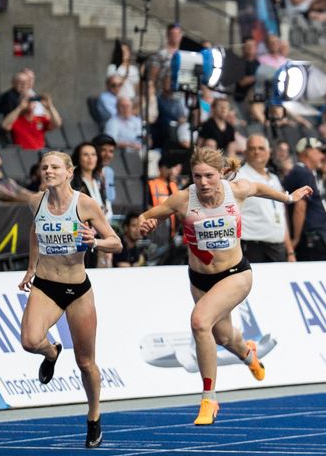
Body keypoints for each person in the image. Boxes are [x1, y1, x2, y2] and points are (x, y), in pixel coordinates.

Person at [133, 149, 311, 424]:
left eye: (209, 176)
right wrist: (146, 224)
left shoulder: (235, 191)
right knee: (223, 337)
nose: (203, 183)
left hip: (235, 274)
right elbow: (144, 217)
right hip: (200, 278)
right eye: (197, 176)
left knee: (199, 322)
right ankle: (248, 354)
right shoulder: (183, 199)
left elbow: (260, 188)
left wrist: (289, 197)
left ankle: (209, 399)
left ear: (221, 174)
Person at [18, 151, 122, 447]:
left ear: (68, 173)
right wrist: (31, 267)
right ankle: (51, 353)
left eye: (54, 167)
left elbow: (117, 242)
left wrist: (96, 242)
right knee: (29, 341)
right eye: (44, 167)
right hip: (46, 285)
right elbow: (35, 232)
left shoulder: (84, 204)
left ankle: (93, 417)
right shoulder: (35, 201)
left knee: (86, 362)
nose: (48, 171)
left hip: (77, 290)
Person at [235, 135, 289, 263]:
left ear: (269, 152)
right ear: (245, 152)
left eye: (261, 148)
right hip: (252, 246)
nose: (257, 152)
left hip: (278, 246)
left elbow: (282, 215)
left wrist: (290, 250)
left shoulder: (274, 178)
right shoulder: (239, 177)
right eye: (252, 148)